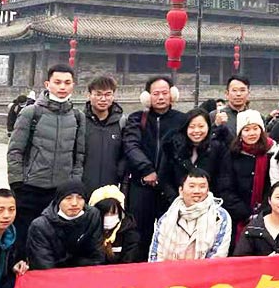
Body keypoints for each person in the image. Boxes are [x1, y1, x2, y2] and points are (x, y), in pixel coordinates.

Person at [6, 64, 86, 258]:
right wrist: (17, 183)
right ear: (47, 84)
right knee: (24, 238)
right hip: (31, 187)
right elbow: (15, 150)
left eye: (67, 83)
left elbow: (79, 154)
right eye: (57, 82)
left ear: (73, 85)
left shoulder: (77, 116)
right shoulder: (31, 113)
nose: (62, 87)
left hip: (60, 191)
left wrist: (74, 183)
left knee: (57, 240)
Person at [122, 76, 189, 253]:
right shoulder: (137, 118)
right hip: (141, 186)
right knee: (138, 235)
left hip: (170, 188)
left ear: (172, 95)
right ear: (147, 96)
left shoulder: (182, 120)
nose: (160, 97)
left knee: (171, 235)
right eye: (156, 93)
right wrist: (146, 169)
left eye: (164, 93)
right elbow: (130, 145)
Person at [218, 110, 274, 245]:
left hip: (266, 215)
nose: (252, 133)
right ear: (240, 134)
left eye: (255, 129)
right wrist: (246, 213)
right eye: (247, 130)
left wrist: (262, 212)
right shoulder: (232, 155)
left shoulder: (271, 153)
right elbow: (225, 187)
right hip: (237, 217)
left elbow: (273, 185)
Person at [149, 169, 231, 261]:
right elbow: (155, 255)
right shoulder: (166, 219)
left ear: (208, 190)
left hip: (205, 273)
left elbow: (218, 254)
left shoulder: (219, 217)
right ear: (181, 190)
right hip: (169, 273)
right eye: (192, 186)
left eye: (202, 186)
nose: (197, 191)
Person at [26, 180, 104, 270]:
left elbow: (97, 255)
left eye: (80, 198)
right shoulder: (40, 226)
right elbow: (43, 264)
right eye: (68, 198)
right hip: (53, 276)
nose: (74, 203)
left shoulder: (92, 216)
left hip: (84, 273)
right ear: (59, 200)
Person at [158, 109, 227, 204]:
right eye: (192, 127)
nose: (197, 131)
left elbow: (222, 179)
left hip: (208, 205)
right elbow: (164, 178)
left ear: (208, 127)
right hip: (176, 204)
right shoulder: (173, 147)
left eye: (201, 126)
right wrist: (177, 200)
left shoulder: (217, 148)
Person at [81, 75, 125, 198]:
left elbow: (124, 155)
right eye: (98, 94)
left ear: (113, 96)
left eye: (107, 94)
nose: (103, 99)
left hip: (111, 188)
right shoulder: (80, 121)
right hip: (84, 187)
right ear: (89, 95)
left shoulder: (122, 123)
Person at [88, 185, 142, 264]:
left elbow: (131, 261)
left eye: (113, 213)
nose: (109, 217)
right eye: (105, 214)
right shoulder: (88, 233)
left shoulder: (130, 234)